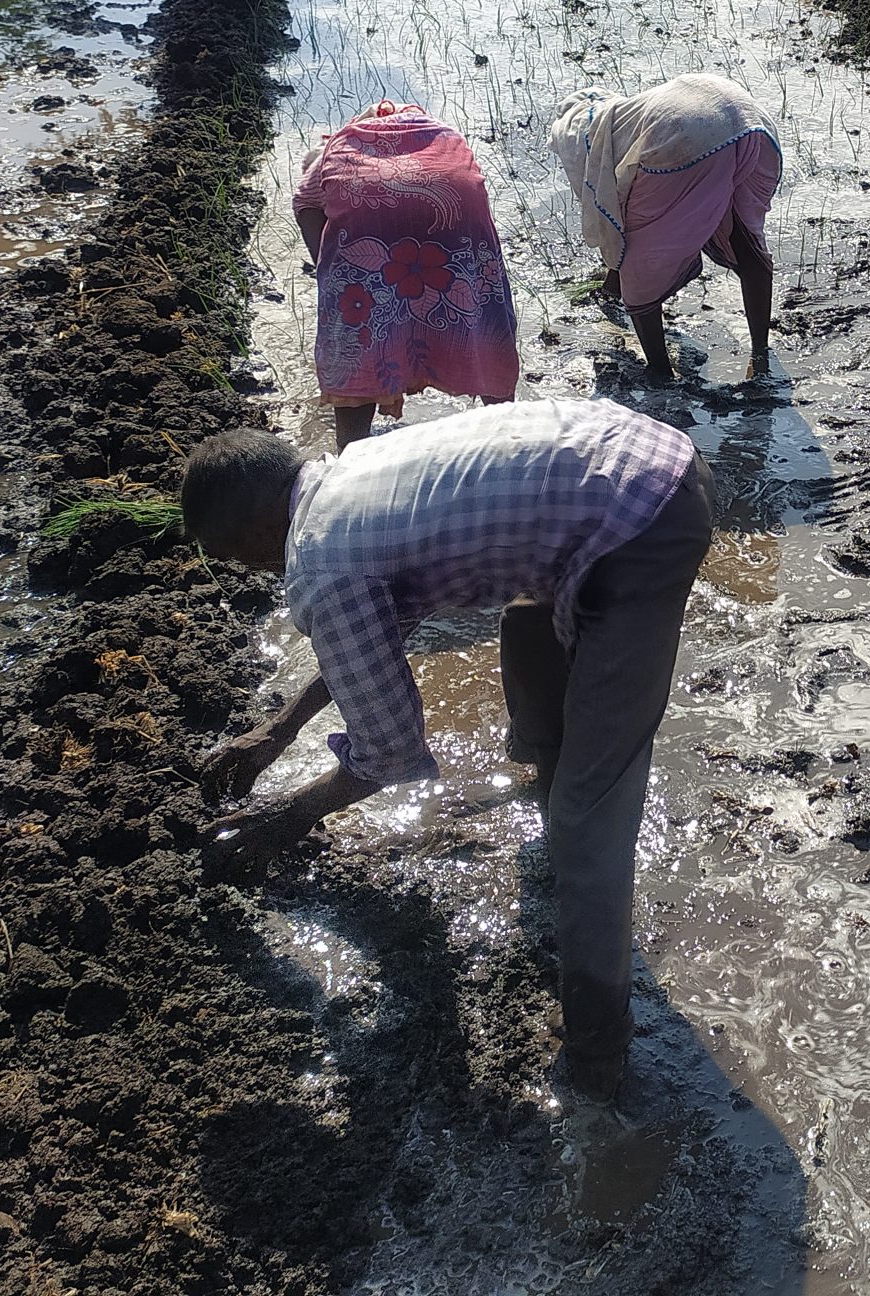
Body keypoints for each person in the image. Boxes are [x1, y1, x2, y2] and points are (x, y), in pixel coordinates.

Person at [183, 402, 714, 1100]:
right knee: (529, 632)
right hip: (639, 458)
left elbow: (388, 749)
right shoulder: (351, 474)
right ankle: (547, 799)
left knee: (593, 816)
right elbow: (371, 638)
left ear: (255, 532)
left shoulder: (319, 560)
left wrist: (284, 818)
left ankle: (598, 1057)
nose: (252, 571)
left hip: (642, 522)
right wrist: (278, 731)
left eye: (237, 559)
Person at [293, 102, 521, 450]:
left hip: (375, 221)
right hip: (455, 218)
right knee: (475, 314)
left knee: (359, 326)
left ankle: (349, 452)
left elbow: (304, 204)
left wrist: (333, 279)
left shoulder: (332, 147)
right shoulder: (441, 132)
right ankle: (509, 438)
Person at [550, 75, 781, 378]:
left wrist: (622, 288)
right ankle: (761, 356)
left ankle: (660, 371)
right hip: (750, 121)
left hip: (684, 132)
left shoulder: (601, 141)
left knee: (641, 264)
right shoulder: (630, 115)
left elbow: (623, 232)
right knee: (743, 238)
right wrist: (609, 291)